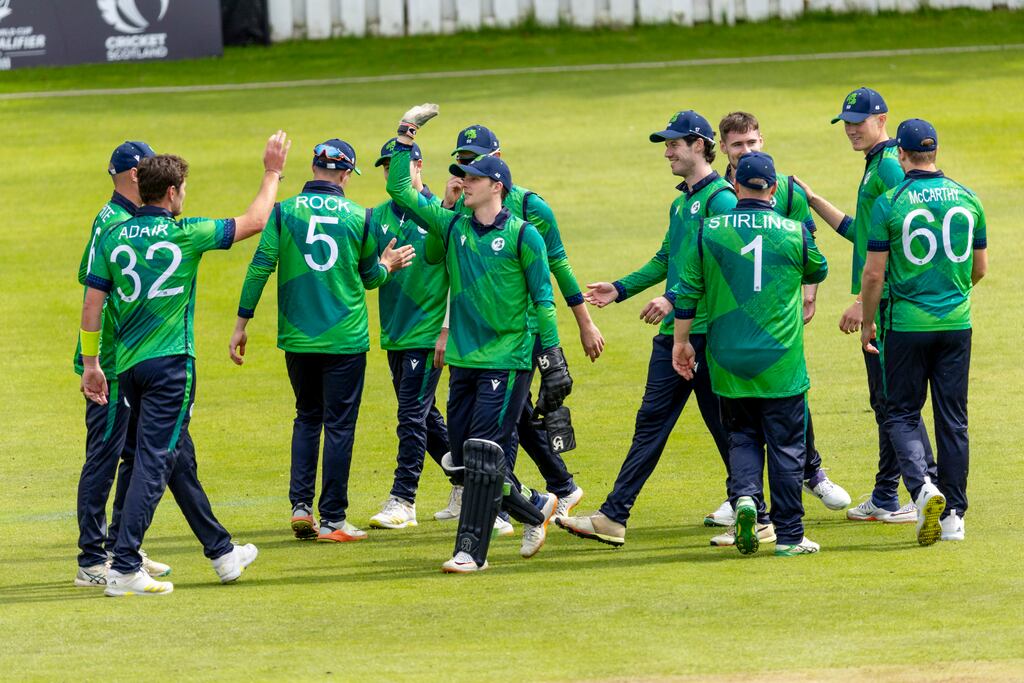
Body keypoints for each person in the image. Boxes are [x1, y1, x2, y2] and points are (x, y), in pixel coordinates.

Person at [80, 131, 291, 596]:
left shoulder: (113, 236)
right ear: (172, 192)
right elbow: (256, 220)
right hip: (172, 366)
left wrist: (92, 363)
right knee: (154, 461)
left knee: (175, 458)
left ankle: (222, 552)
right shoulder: (186, 231)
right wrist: (272, 170)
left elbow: (92, 304)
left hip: (128, 369)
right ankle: (124, 565)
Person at [557, 110, 776, 549]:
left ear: (699, 145)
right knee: (654, 424)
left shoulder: (721, 201)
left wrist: (672, 299)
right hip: (677, 335)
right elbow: (667, 258)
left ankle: (759, 516)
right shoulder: (682, 203)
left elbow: (719, 266)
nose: (667, 152)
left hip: (709, 336)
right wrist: (620, 289)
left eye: (674, 144)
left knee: (726, 428)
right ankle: (615, 516)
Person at [386, 104, 565, 573]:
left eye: (472, 176)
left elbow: (544, 300)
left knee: (484, 454)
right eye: (461, 175)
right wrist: (406, 133)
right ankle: (535, 507)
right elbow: (400, 190)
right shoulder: (453, 226)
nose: (462, 181)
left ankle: (470, 552)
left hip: (507, 360)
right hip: (464, 359)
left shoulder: (525, 236)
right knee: (462, 461)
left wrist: (552, 359)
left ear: (496, 185)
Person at [230, 139, 414, 542]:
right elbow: (370, 278)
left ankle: (301, 506)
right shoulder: (361, 217)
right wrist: (387, 265)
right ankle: (333, 519)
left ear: (314, 167)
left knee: (307, 417)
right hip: (345, 339)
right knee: (340, 427)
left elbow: (260, 267)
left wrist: (242, 322)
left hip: (298, 338)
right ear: (345, 174)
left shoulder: (284, 212)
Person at [435, 124, 599, 522]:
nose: (466, 170)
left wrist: (584, 323)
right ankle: (557, 488)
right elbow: (456, 275)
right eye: (462, 162)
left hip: (524, 330)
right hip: (480, 333)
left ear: (497, 161)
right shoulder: (463, 206)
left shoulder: (530, 207)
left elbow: (557, 265)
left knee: (509, 419)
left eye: (473, 162)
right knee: (515, 417)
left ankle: (503, 506)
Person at [673, 151, 829, 557]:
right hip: (780, 359)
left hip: (727, 357)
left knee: (741, 435)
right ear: (773, 188)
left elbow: (687, 292)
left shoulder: (709, 230)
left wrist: (681, 342)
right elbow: (818, 269)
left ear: (735, 186)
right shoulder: (794, 231)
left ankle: (745, 497)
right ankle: (790, 536)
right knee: (787, 447)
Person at [796, 87, 935, 524]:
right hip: (887, 302)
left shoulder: (889, 166)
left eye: (859, 121)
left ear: (882, 119)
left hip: (891, 305)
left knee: (895, 404)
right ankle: (889, 494)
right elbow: (863, 233)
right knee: (889, 403)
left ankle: (923, 489)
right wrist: (814, 200)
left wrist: (863, 301)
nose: (852, 129)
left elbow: (902, 238)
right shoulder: (876, 163)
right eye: (847, 123)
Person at [709, 111, 851, 528]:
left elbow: (808, 243)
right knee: (773, 408)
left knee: (762, 413)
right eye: (738, 144)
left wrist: (809, 295)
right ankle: (760, 503)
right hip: (737, 319)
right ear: (724, 148)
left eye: (752, 142)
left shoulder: (786, 189)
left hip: (768, 319)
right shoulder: (717, 192)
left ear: (762, 140)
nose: (746, 149)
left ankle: (802, 476)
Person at [860, 119, 987, 545]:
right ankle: (954, 516)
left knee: (900, 412)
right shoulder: (968, 197)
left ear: (901, 153)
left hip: (906, 326)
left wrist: (868, 322)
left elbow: (874, 275)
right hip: (957, 324)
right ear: (935, 152)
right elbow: (980, 268)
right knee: (953, 419)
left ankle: (921, 489)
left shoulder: (891, 202)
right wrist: (950, 296)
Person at [73, 141, 170, 587]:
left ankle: (120, 548)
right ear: (134, 175)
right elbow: (93, 288)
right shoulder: (114, 223)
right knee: (104, 456)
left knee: (132, 453)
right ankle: (92, 560)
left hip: (130, 359)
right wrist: (94, 360)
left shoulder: (119, 218)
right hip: (112, 361)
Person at [365, 138, 451, 530]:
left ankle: (404, 500)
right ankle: (473, 484)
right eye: (386, 167)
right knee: (425, 415)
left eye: (397, 165)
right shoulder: (377, 217)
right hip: (395, 332)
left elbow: (458, 275)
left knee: (411, 415)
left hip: (427, 332)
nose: (391, 172)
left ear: (418, 166)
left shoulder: (439, 214)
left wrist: (446, 329)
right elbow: (367, 277)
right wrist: (383, 266)